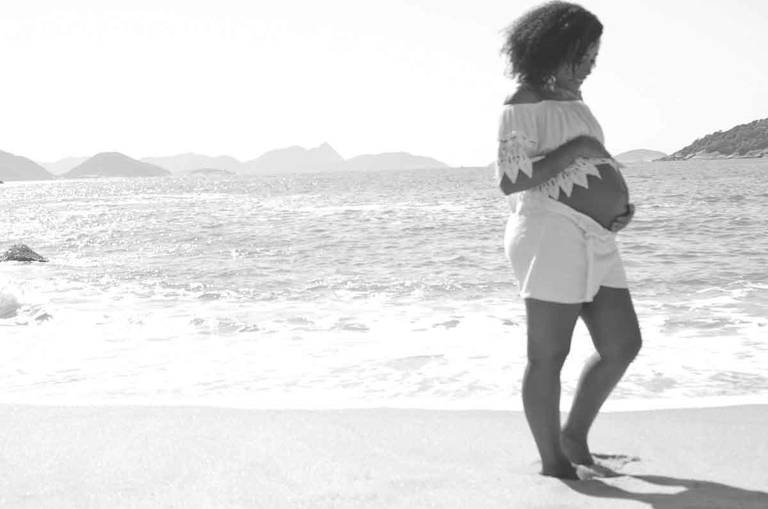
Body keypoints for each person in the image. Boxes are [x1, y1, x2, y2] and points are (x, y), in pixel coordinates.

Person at [497, 1, 642, 480]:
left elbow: (592, 165)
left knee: (623, 343)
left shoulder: (576, 100)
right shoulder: (523, 102)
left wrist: (617, 207)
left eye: (594, 57)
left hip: (595, 236)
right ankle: (554, 463)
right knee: (548, 355)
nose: (589, 66)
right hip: (548, 233)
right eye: (582, 56)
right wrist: (578, 149)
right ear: (553, 49)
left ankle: (574, 436)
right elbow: (512, 179)